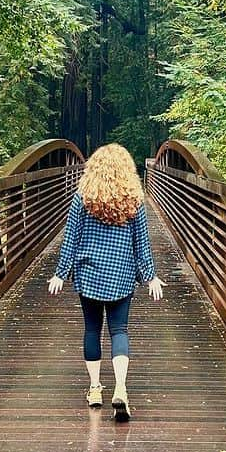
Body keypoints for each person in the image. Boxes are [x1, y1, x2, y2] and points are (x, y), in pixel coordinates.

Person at [48, 143, 164, 421]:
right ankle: (121, 387)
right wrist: (150, 276)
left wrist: (60, 273)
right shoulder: (134, 200)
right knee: (119, 330)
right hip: (121, 274)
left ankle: (95, 388)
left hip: (88, 274)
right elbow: (141, 244)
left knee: (92, 330)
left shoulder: (82, 198)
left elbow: (71, 240)